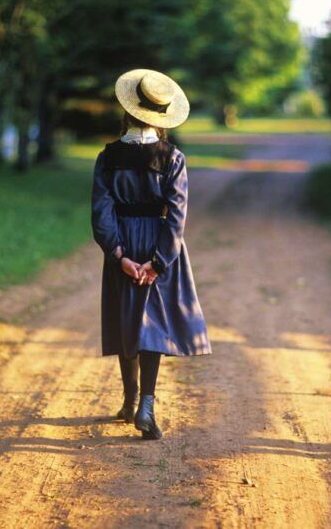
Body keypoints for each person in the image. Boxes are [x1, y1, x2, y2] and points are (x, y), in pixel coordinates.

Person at [91, 69, 211, 440]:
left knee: (126, 319)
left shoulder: (108, 157)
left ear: (128, 110)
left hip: (123, 242)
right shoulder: (172, 157)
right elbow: (177, 214)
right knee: (152, 326)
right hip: (158, 242)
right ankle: (145, 404)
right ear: (161, 116)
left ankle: (128, 402)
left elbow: (101, 211)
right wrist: (159, 262)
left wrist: (118, 254)